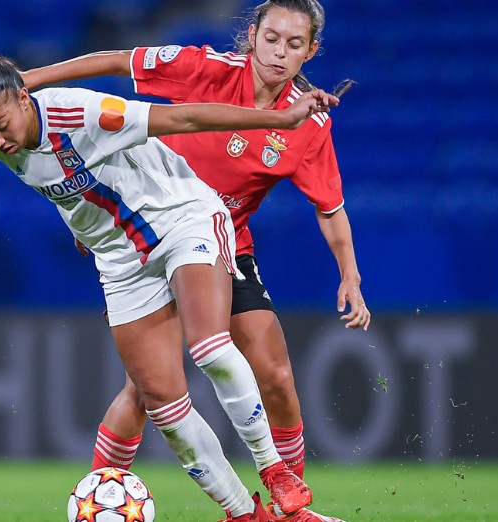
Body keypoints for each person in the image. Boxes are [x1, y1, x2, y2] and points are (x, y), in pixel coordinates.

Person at [0, 46, 340, 522]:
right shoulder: (6, 146)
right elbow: (67, 187)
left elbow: (185, 119)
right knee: (165, 406)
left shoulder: (85, 112)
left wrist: (282, 119)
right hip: (122, 261)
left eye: (1, 124)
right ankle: (244, 515)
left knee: (208, 345)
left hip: (182, 218)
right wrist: (83, 231)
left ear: (24, 98)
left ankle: (274, 470)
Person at [20, 1, 367, 521]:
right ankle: (99, 497)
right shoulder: (204, 68)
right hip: (151, 230)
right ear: (252, 35)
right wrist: (28, 78)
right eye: (271, 37)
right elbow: (118, 61)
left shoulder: (308, 121)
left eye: (294, 44)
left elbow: (330, 207)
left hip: (225, 242)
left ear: (311, 51)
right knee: (148, 390)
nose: (279, 52)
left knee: (273, 372)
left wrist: (351, 275)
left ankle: (289, 506)